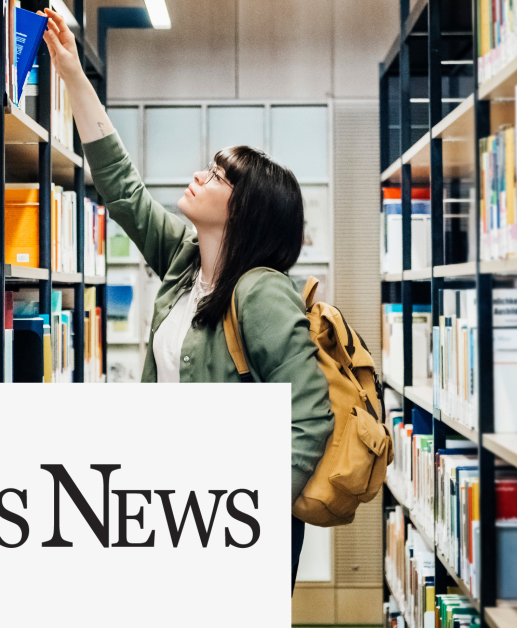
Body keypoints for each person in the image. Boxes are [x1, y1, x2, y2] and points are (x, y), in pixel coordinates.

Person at [40, 9, 335, 595]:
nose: (200, 176)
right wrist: (73, 73)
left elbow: (311, 415)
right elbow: (122, 189)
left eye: (219, 176)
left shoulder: (261, 290)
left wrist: (248, 509)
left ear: (246, 209)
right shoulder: (184, 263)